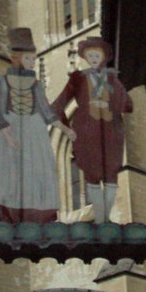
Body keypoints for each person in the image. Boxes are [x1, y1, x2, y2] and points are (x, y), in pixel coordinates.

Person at [0, 27, 75, 223]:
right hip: (9, 128)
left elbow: (46, 111)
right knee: (9, 173)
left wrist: (65, 129)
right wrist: (8, 135)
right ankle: (9, 215)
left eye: (33, 58)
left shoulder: (36, 85)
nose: (33, 63)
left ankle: (34, 215)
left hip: (33, 131)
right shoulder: (1, 82)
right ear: (17, 58)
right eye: (29, 59)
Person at [52, 37, 132, 223]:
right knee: (92, 177)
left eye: (98, 55)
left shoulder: (113, 79)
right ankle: (100, 218)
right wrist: (66, 128)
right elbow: (56, 106)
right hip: (87, 131)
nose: (95, 58)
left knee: (112, 177)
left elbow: (128, 104)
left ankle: (104, 218)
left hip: (111, 131)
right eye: (91, 55)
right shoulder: (77, 79)